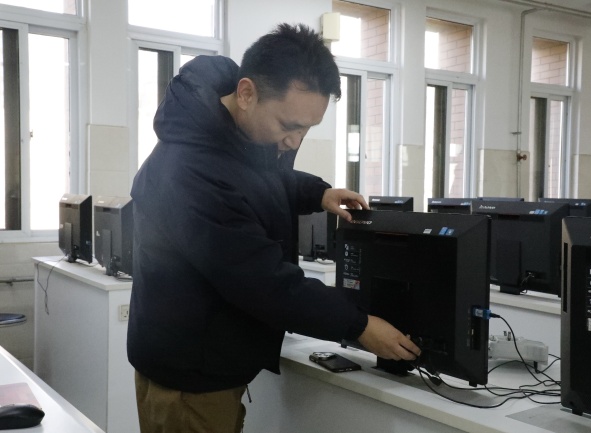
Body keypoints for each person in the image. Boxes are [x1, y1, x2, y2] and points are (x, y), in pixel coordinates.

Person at [127, 23, 421, 433]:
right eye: (288, 125)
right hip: (190, 378)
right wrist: (359, 325)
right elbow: (264, 281)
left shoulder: (230, 135)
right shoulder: (192, 170)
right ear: (247, 93)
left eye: (307, 129)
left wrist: (317, 192)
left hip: (203, 359)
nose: (294, 142)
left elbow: (259, 180)